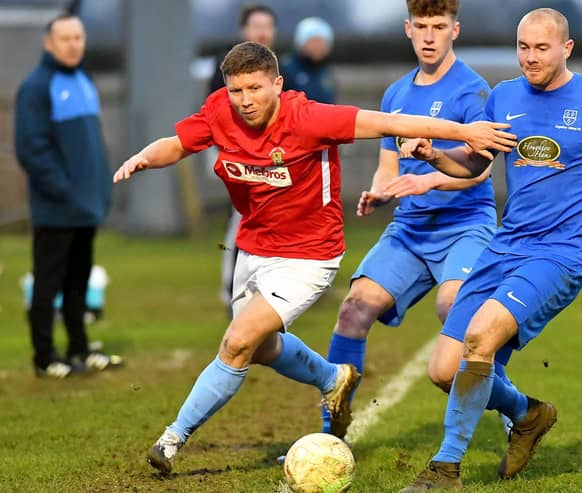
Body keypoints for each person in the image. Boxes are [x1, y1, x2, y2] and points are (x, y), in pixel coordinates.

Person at [112, 41, 515, 474]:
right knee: (262, 347)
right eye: (236, 91)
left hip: (308, 256)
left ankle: (172, 438)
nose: (245, 101)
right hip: (253, 247)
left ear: (277, 84)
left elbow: (388, 122)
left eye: (255, 88)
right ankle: (331, 378)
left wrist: (465, 133)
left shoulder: (309, 118)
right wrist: (143, 158)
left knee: (237, 342)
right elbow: (179, 143)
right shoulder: (219, 111)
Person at [397, 8, 582, 491]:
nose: (530, 57)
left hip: (560, 254)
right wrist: (434, 153)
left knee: (480, 338)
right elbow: (473, 166)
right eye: (523, 47)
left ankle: (445, 468)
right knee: (442, 370)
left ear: (567, 49)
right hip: (505, 247)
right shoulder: (503, 97)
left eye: (542, 48)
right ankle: (529, 413)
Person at [320, 0, 518, 437]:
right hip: (410, 230)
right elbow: (388, 167)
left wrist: (428, 178)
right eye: (422, 26)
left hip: (464, 225)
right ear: (409, 29)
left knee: (455, 311)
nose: (430, 36)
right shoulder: (396, 95)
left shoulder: (473, 91)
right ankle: (330, 434)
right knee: (353, 311)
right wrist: (380, 190)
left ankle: (511, 407)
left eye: (439, 26)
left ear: (455, 30)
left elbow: (479, 172)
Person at [14, 13, 122, 379]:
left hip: (85, 207)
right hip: (56, 208)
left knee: (79, 283)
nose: (73, 44)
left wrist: (98, 192)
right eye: (65, 38)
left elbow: (91, 147)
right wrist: (65, 190)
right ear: (49, 43)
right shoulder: (37, 87)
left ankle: (79, 348)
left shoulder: (84, 80)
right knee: (47, 284)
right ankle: (45, 356)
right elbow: (30, 149)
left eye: (78, 37)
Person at [207, 4, 278, 312]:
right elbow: (214, 116)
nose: (262, 32)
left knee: (272, 220)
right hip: (240, 156)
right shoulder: (226, 70)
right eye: (256, 26)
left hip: (271, 158)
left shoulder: (277, 70)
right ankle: (232, 289)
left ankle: (266, 289)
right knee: (243, 220)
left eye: (267, 26)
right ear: (244, 31)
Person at [281, 16, 336, 104]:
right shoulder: (286, 70)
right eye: (313, 42)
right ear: (301, 43)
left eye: (321, 42)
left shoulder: (326, 71)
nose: (317, 47)